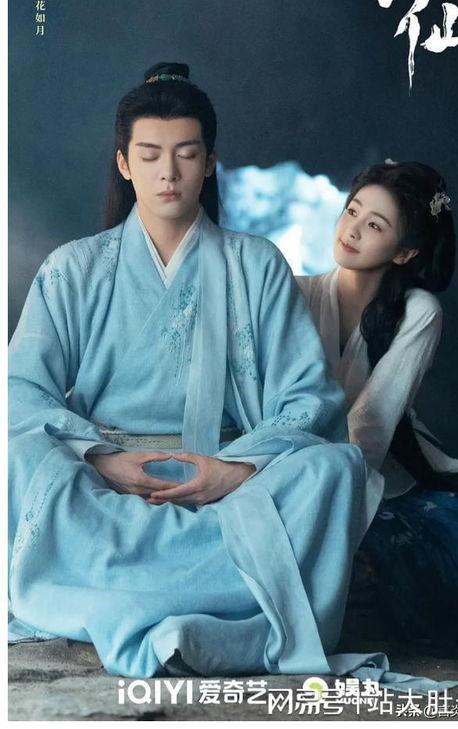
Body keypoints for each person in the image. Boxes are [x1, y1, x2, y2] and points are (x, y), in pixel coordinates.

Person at [10, 61, 398, 683]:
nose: (168, 172)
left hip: (227, 478)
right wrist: (103, 460)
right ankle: (206, 612)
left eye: (186, 154)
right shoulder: (72, 269)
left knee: (334, 468)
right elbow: (19, 390)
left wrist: (235, 470)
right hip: (108, 480)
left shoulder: (257, 265)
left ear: (210, 162)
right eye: (150, 154)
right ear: (124, 163)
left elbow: (309, 398)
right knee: (18, 454)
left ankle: (141, 604)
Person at [296, 160, 458, 646]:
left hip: (380, 474)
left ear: (405, 252)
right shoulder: (296, 293)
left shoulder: (418, 312)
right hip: (293, 465)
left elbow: (372, 425)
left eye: (375, 225)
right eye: (352, 211)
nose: (352, 230)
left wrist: (321, 492)